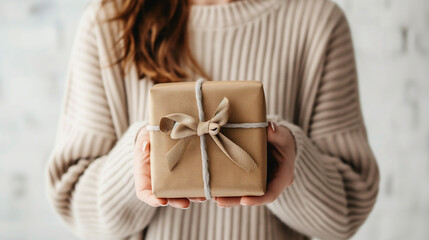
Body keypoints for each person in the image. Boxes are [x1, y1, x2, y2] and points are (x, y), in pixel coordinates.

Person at [45, 0, 380, 239]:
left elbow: (346, 213)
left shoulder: (319, 22)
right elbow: (73, 201)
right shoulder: (108, 24)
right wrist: (140, 162)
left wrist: (292, 162)